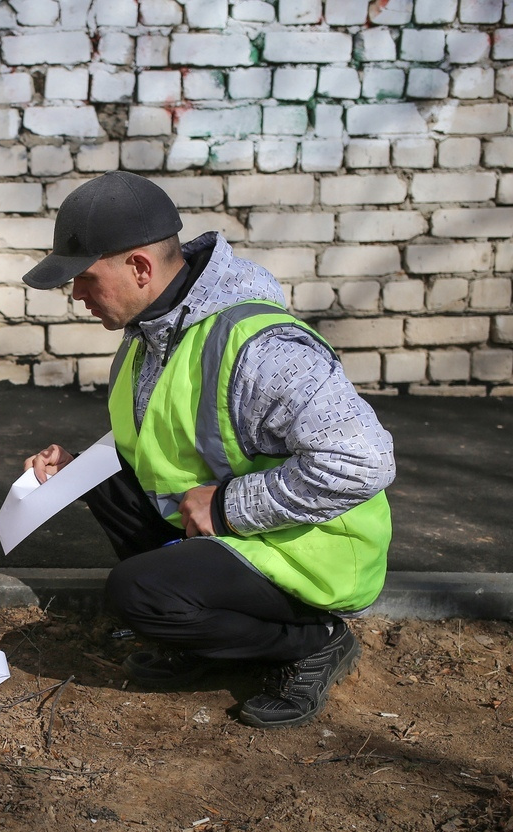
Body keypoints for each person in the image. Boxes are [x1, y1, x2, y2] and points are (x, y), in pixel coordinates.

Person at [21, 171, 395, 728]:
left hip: (311, 554)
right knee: (100, 476)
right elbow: (166, 449)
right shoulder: (151, 335)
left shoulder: (263, 348)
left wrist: (226, 506)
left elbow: (365, 460)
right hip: (238, 534)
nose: (75, 295)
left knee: (136, 595)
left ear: (140, 268)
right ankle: (201, 630)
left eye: (84, 278)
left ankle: (313, 640)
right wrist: (76, 470)